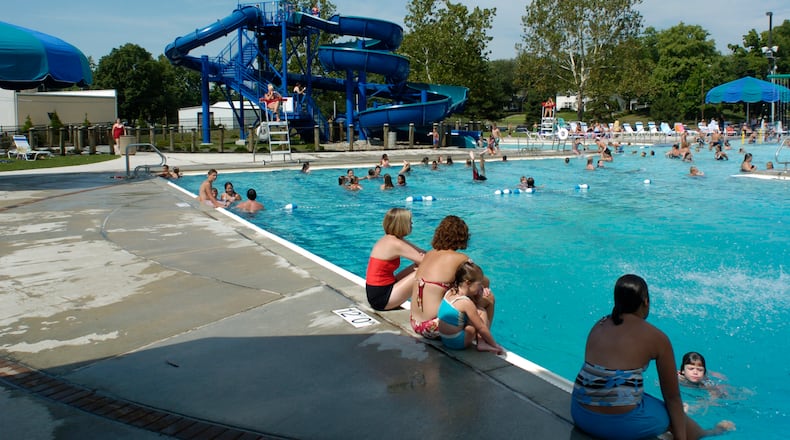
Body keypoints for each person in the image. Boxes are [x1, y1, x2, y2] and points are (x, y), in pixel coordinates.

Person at [570, 274, 735, 440]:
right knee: (672, 413)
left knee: (636, 395)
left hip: (580, 414)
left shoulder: (600, 324)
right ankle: (708, 433)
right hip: (618, 426)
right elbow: (673, 398)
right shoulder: (656, 337)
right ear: (646, 301)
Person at [410, 215, 495, 339]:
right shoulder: (461, 258)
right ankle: (484, 339)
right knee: (489, 299)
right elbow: (483, 280)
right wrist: (482, 290)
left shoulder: (429, 254)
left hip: (415, 323)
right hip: (434, 327)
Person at [438, 261, 504, 354]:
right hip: (457, 342)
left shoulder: (450, 292)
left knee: (473, 314)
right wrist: (494, 345)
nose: (481, 287)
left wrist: (478, 296)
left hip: (444, 338)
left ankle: (482, 342)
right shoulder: (466, 303)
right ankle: (482, 343)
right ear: (468, 283)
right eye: (479, 284)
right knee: (481, 312)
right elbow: (481, 327)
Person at [365, 208, 424, 311]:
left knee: (418, 266)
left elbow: (422, 253)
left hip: (380, 290)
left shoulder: (391, 239)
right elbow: (426, 260)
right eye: (409, 221)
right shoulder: (395, 244)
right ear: (402, 224)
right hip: (381, 298)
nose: (412, 224)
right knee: (424, 271)